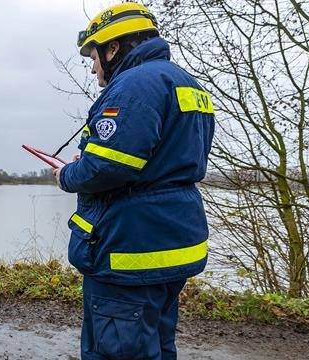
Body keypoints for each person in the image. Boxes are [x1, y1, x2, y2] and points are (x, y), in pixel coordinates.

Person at [53, 2, 215, 359]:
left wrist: (67, 174)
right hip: (172, 245)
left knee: (117, 350)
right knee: (156, 345)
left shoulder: (134, 86)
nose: (93, 67)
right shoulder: (187, 83)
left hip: (130, 250)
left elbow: (107, 168)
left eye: (94, 55)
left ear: (114, 48)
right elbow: (158, 161)